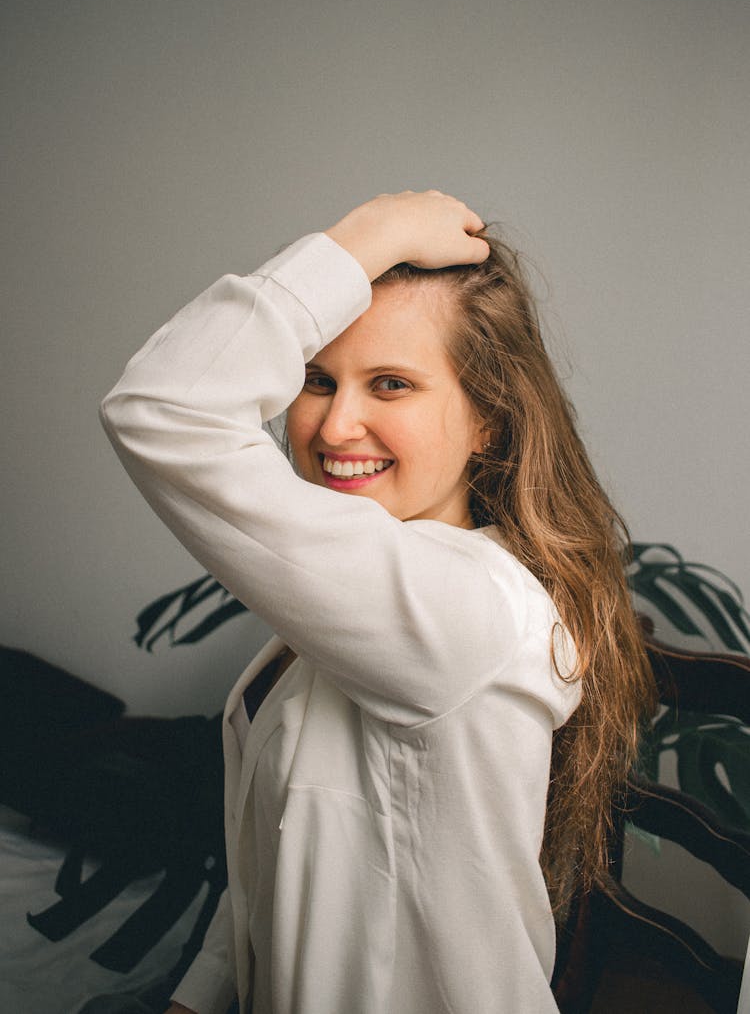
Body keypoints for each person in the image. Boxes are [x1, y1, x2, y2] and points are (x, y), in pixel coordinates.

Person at [100, 190, 656, 1014]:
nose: (335, 425)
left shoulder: (455, 604)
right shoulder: (396, 577)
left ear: (489, 423)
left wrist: (372, 233)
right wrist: (205, 989)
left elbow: (162, 409)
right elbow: (292, 841)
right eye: (316, 379)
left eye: (390, 383)